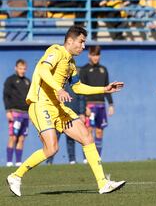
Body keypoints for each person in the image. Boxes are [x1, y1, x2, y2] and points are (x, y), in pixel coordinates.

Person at [6, 25, 126, 197]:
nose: (83, 46)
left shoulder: (71, 63)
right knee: (51, 148)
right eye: (81, 42)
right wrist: (59, 89)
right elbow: (42, 70)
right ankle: (16, 176)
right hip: (41, 104)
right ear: (70, 41)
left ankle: (103, 183)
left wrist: (104, 89)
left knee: (86, 136)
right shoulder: (56, 51)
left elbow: (77, 87)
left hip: (58, 107)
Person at [80, 46, 114, 159]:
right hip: (89, 105)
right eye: (93, 55)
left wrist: (111, 104)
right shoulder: (84, 70)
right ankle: (87, 158)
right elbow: (81, 90)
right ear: (89, 55)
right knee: (88, 132)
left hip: (101, 105)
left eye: (97, 55)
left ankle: (97, 158)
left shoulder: (103, 70)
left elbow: (107, 89)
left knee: (99, 132)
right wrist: (84, 106)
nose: (95, 57)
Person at [46, 79, 86, 165]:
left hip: (72, 114)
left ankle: (72, 160)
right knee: (55, 138)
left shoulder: (75, 82)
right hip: (58, 114)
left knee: (71, 138)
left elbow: (81, 97)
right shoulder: (57, 81)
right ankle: (49, 160)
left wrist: (82, 112)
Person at [3, 59, 31, 167]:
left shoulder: (27, 81)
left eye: (24, 69)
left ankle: (19, 162)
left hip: (26, 114)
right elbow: (6, 96)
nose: (22, 70)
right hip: (15, 113)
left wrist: (31, 114)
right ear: (16, 68)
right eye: (20, 68)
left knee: (22, 138)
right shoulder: (10, 80)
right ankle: (9, 162)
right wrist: (8, 111)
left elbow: (31, 98)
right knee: (13, 137)